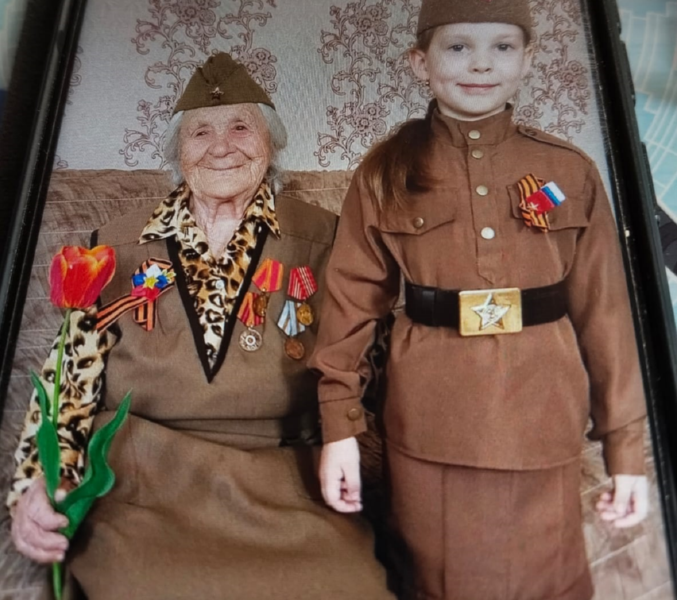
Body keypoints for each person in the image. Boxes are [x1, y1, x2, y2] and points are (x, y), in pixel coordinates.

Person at [8, 53, 395, 600]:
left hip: (288, 483)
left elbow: (369, 362)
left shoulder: (328, 239)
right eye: (200, 132)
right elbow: (67, 380)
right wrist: (36, 482)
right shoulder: (112, 246)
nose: (221, 146)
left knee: (348, 587)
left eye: (240, 127)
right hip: (140, 482)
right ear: (178, 152)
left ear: (271, 143)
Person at [308, 1, 649, 599]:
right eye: (458, 46)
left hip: (544, 415)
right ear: (421, 62)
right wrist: (339, 428)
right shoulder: (385, 172)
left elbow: (607, 316)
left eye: (503, 47)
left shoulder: (569, 171)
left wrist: (626, 450)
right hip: (431, 423)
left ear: (528, 60)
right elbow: (349, 305)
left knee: (552, 582)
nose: (481, 64)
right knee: (438, 580)